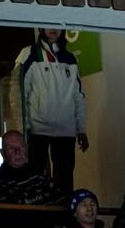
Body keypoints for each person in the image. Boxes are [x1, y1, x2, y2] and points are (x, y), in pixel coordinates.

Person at [12, 28, 88, 193]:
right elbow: (17, 92)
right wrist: (23, 128)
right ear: (41, 28)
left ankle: (63, 209)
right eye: (49, 25)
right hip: (37, 130)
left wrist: (81, 129)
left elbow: (78, 96)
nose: (53, 29)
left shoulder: (70, 58)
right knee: (35, 180)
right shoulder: (29, 53)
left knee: (65, 183)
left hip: (66, 131)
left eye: (57, 25)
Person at [0, 130, 62, 205]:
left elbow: (60, 201)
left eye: (21, 146)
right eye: (11, 148)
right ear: (2, 153)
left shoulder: (40, 175)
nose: (17, 152)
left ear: (27, 148)